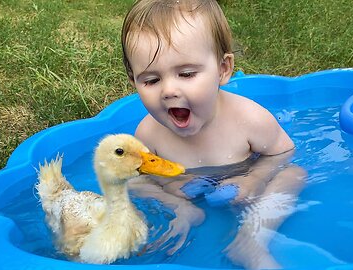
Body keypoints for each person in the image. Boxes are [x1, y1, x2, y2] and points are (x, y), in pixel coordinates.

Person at [121, 0, 306, 269]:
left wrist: (254, 178)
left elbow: (283, 153)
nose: (168, 90)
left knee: (294, 174)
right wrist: (171, 193)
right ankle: (185, 213)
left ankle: (251, 239)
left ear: (223, 69)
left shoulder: (249, 119)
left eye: (186, 74)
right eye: (151, 80)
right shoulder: (148, 132)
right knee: (129, 182)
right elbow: (142, 178)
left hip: (244, 176)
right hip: (186, 193)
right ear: (133, 80)